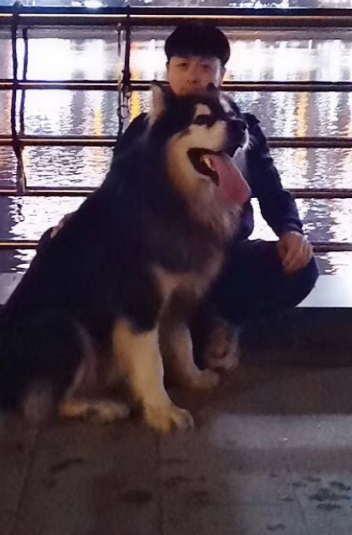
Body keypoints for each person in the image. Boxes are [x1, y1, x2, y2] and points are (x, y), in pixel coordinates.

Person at [112, 22, 319, 370]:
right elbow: (114, 193)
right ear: (168, 71)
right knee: (62, 248)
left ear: (222, 75)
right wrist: (76, 223)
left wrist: (290, 230)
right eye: (183, 65)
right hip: (156, 260)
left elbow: (271, 189)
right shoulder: (143, 131)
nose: (193, 76)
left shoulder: (242, 128)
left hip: (222, 257)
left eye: (206, 67)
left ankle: (221, 319)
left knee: (301, 269)